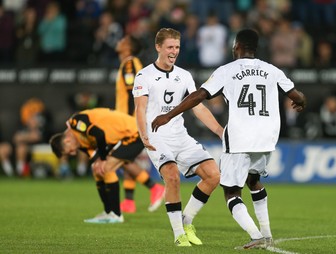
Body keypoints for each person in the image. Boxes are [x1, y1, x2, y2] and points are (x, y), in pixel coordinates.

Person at [152, 28, 307, 250]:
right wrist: (302, 102)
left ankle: (257, 235)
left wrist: (169, 114)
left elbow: (199, 96)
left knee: (231, 192)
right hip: (267, 137)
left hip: (240, 137)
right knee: (253, 181)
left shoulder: (227, 70)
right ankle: (267, 234)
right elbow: (296, 95)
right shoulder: (272, 70)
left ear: (237, 47)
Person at [133, 28, 222, 247]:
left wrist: (220, 131)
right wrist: (143, 133)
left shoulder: (184, 76)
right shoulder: (144, 75)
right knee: (172, 176)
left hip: (180, 135)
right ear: (158, 47)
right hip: (156, 135)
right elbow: (140, 108)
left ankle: (187, 220)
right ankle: (178, 234)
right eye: (170, 47)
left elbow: (198, 108)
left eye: (177, 47)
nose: (174, 52)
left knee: (213, 175)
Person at [49, 108, 149, 224]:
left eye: (69, 151)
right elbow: (94, 157)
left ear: (67, 141)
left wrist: (102, 159)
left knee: (107, 168)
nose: (73, 153)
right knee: (96, 170)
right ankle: (108, 212)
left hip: (135, 132)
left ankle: (116, 214)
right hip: (124, 137)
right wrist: (99, 161)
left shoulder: (76, 122)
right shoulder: (79, 143)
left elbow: (99, 134)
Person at [115, 35, 165, 213]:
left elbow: (133, 94)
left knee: (118, 158)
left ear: (128, 46)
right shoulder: (132, 63)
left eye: (122, 40)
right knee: (127, 158)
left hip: (129, 121)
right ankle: (128, 201)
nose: (119, 42)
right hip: (131, 120)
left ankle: (154, 187)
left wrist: (131, 120)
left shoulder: (129, 63)